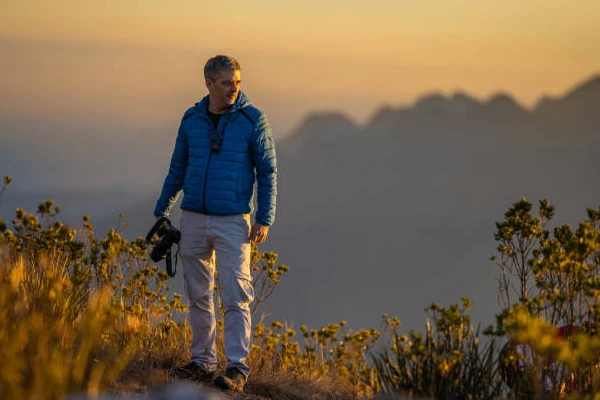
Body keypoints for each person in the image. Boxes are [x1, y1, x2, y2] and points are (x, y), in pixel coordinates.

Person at [153, 55, 277, 392]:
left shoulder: (253, 120)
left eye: (237, 81)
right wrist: (162, 209)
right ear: (208, 83)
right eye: (226, 82)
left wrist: (265, 218)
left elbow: (267, 172)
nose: (233, 88)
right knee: (198, 294)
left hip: (234, 221)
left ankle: (237, 368)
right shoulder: (192, 119)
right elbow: (177, 166)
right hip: (192, 217)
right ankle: (202, 362)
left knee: (236, 295)